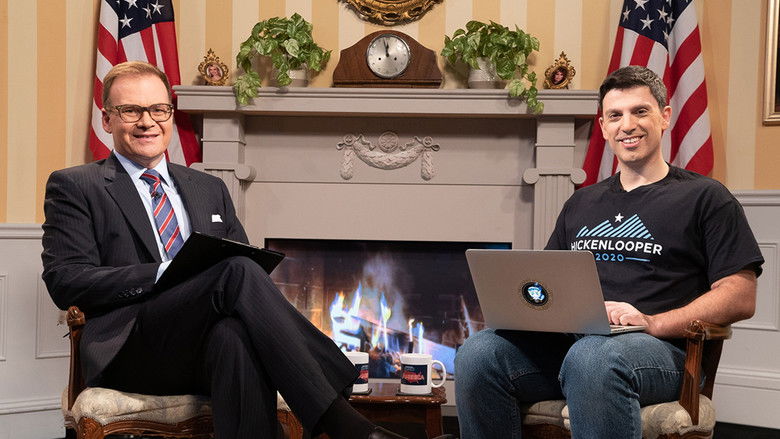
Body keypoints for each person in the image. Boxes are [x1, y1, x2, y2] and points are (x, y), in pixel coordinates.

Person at [41, 61, 438, 439]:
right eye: (131, 111)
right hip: (132, 349)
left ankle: (344, 424)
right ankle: (343, 418)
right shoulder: (76, 186)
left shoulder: (208, 187)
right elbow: (66, 281)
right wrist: (164, 272)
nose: (148, 121)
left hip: (201, 347)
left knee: (234, 335)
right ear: (107, 119)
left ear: (170, 114)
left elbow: (246, 271)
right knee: (236, 270)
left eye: (159, 109)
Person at [454, 65, 764, 438]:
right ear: (603, 127)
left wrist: (652, 322)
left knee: (594, 357)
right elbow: (548, 286)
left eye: (640, 111)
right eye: (615, 115)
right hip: (574, 347)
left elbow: (740, 295)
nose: (627, 125)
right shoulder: (581, 203)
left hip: (661, 352)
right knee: (479, 354)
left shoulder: (706, 197)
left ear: (665, 117)